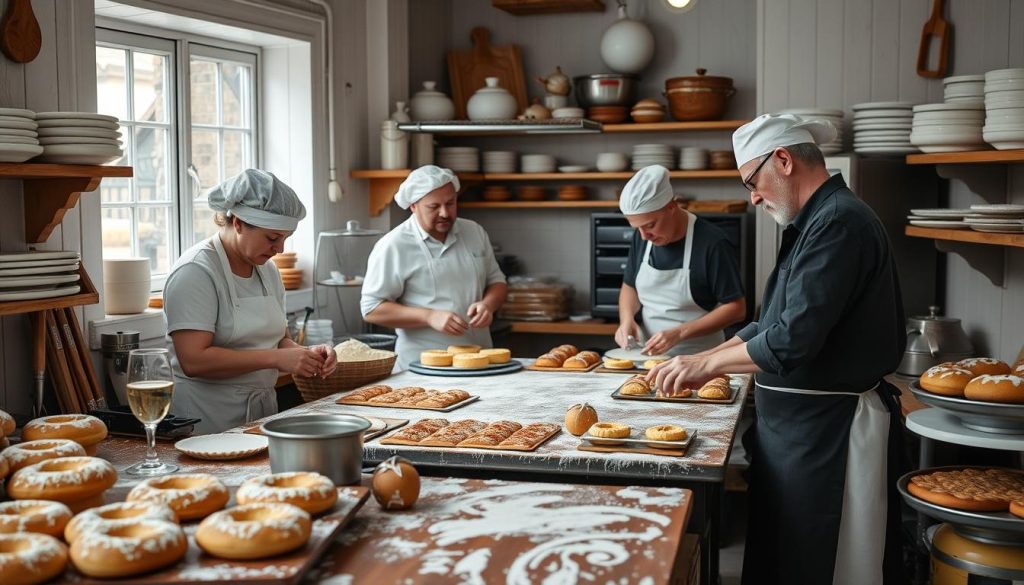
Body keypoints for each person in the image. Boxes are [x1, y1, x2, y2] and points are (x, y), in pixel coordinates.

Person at [649, 114, 907, 585]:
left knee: (822, 564)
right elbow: (767, 325)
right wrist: (699, 361)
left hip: (830, 436)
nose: (752, 195)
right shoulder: (811, 221)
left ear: (783, 160)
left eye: (752, 180)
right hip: (798, 433)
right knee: (785, 560)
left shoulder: (838, 224)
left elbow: (790, 341)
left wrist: (706, 363)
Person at [164, 169, 337, 434]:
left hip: (260, 417)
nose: (279, 249)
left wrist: (307, 355)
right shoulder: (196, 271)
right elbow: (194, 360)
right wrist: (277, 358)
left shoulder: (266, 270)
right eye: (272, 238)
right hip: (205, 421)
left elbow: (280, 339)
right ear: (238, 224)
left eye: (285, 239)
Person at [361, 165, 507, 368]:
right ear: (413, 205)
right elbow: (371, 309)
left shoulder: (473, 231)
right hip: (422, 367)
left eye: (451, 203)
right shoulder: (394, 245)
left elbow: (497, 281)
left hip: (481, 360)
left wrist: (488, 305)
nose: (445, 213)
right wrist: (429, 317)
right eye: (434, 206)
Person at [614, 165, 746, 356]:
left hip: (699, 357)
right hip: (647, 357)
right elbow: (629, 287)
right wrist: (626, 320)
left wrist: (680, 332)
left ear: (671, 207)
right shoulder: (643, 237)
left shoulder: (712, 242)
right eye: (637, 228)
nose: (644, 236)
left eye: (650, 225)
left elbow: (736, 308)